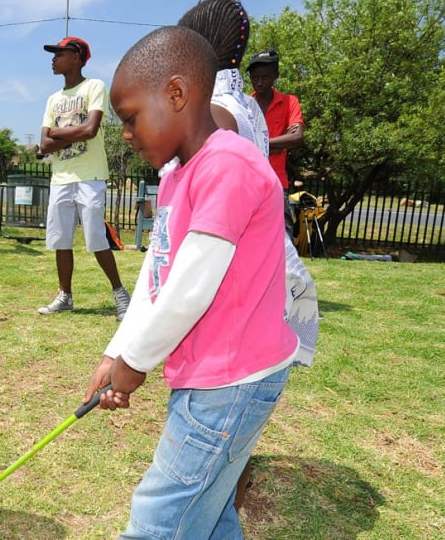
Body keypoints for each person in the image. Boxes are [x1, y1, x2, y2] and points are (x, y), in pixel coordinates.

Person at [84, 26, 298, 539]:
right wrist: (118, 351)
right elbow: (157, 278)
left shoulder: (228, 163)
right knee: (209, 508)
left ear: (177, 94)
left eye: (131, 119)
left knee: (160, 519)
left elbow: (191, 285)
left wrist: (135, 364)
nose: (126, 135)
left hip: (231, 382)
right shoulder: (178, 177)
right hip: (211, 378)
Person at [179, 0, 321, 511]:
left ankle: (221, 493)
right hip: (258, 259)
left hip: (233, 270)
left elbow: (204, 229)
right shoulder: (242, 103)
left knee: (224, 393)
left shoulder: (216, 110)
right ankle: (228, 489)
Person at [37, 36, 130, 320]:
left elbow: (90, 130)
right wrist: (65, 134)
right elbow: (43, 145)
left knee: (96, 237)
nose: (54, 59)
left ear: (77, 57)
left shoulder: (94, 87)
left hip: (90, 175)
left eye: (60, 54)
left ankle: (120, 294)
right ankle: (65, 295)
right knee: (61, 240)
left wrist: (56, 133)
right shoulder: (53, 99)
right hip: (61, 177)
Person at [248, 49, 304, 191]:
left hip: (276, 182)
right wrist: (281, 142)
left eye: (265, 77)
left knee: (283, 214)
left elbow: (297, 137)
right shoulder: (243, 105)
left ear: (276, 76)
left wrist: (258, 144)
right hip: (247, 182)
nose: (259, 83)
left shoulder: (289, 102)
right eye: (254, 78)